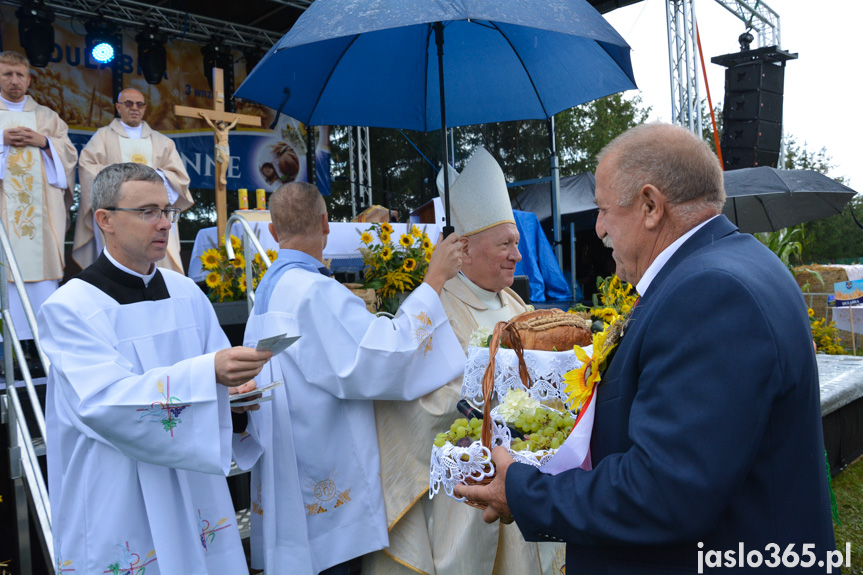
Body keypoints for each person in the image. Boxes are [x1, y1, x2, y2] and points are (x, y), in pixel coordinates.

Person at [456, 123, 836, 572]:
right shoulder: (740, 262)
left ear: (652, 206)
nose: (598, 230)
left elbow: (662, 492)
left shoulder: (710, 293)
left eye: (603, 210)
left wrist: (520, 491)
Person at [38, 163, 272, 574]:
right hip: (118, 487)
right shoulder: (70, 307)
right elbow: (104, 403)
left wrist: (235, 398)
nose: (164, 224)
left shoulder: (186, 292)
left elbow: (217, 375)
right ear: (105, 220)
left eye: (167, 211)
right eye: (148, 212)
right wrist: (208, 377)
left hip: (191, 483)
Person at [241, 181, 466, 574]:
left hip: (291, 455)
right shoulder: (313, 290)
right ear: (326, 224)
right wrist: (434, 281)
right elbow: (382, 358)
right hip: (322, 462)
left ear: (274, 232)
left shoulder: (268, 287)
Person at [364, 147, 566, 575]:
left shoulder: (513, 302)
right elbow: (412, 401)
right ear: (465, 249)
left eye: (516, 243)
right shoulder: (434, 309)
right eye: (506, 245)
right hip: (463, 490)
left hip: (520, 477)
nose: (518, 255)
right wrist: (492, 402)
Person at [0, 50, 77, 341]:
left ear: (29, 79)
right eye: (7, 74)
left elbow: (69, 155)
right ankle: (6, 352)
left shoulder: (46, 117)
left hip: (41, 223)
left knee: (43, 289)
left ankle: (40, 347)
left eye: (20, 74)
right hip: (3, 220)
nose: (14, 80)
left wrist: (44, 142)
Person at [75, 88, 193, 274]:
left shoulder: (162, 142)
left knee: (161, 268)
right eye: (128, 104)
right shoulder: (103, 136)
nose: (134, 108)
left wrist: (156, 177)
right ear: (118, 107)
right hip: (120, 214)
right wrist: (120, 180)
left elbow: (179, 177)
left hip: (155, 213)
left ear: (145, 108)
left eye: (139, 104)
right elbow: (87, 167)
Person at [200, 112, 238, 187]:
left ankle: (223, 176)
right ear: (219, 126)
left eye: (222, 124)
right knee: (225, 160)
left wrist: (236, 119)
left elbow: (232, 125)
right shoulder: (217, 131)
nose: (222, 126)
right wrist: (205, 116)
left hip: (227, 147)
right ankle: (222, 176)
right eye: (220, 125)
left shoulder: (226, 129)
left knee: (227, 162)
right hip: (221, 147)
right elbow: (210, 124)